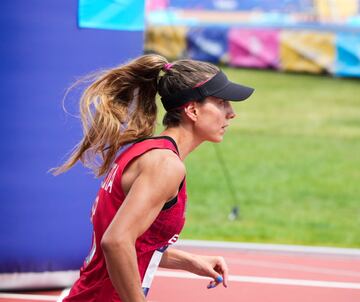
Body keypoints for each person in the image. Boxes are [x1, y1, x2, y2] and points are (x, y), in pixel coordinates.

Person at [54, 54, 254, 302]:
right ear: (192, 110)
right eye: (222, 102)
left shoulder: (148, 152)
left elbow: (137, 244)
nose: (231, 113)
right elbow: (116, 242)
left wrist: (192, 262)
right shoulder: (165, 165)